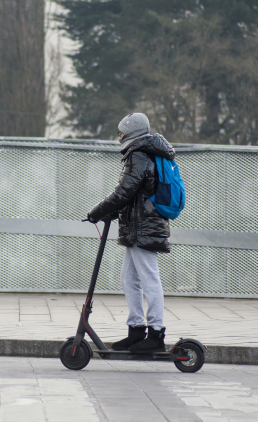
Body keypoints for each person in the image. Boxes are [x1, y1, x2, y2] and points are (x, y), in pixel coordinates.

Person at [86, 113, 175, 353]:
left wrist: (96, 212)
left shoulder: (139, 155)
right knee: (129, 278)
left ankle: (156, 333)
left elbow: (124, 191)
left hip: (143, 227)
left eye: (121, 132)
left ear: (132, 133)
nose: (119, 137)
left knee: (149, 279)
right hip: (139, 226)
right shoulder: (145, 154)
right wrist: (112, 213)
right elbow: (135, 194)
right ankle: (136, 330)